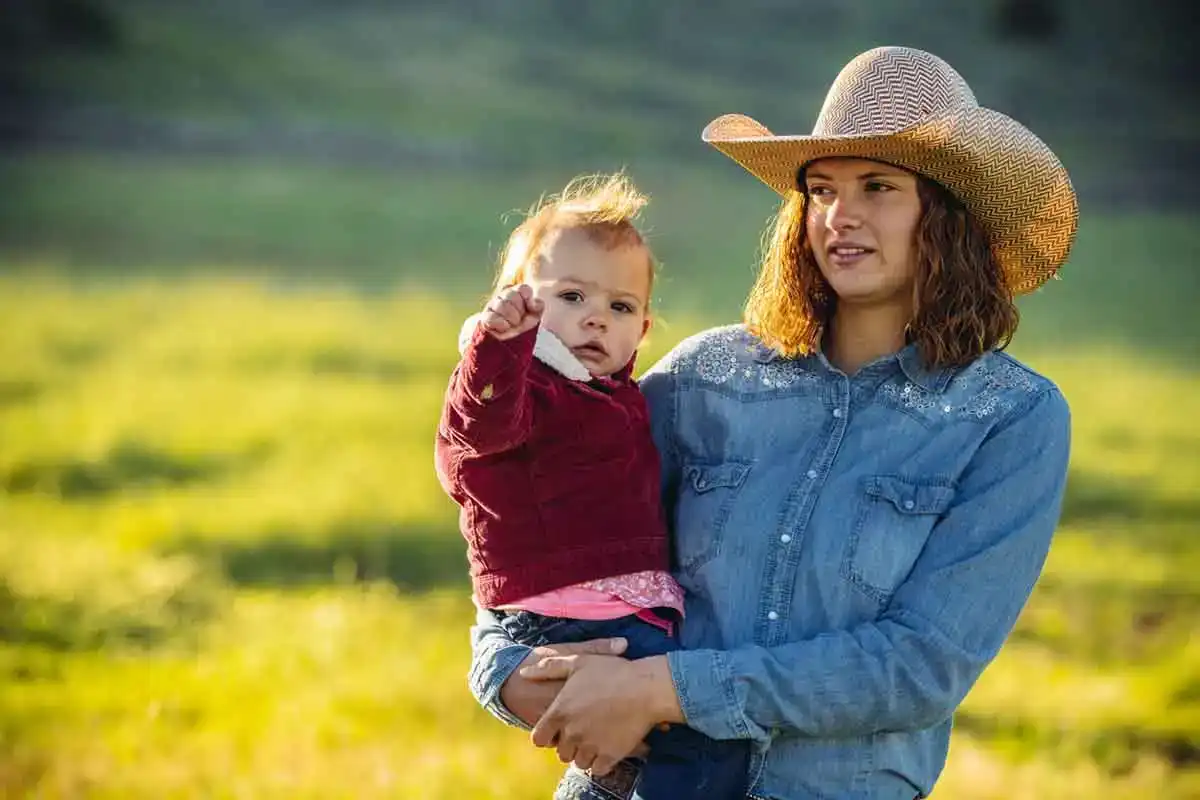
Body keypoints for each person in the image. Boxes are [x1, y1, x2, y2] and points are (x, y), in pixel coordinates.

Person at [466, 45, 1079, 800]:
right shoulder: (705, 380)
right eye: (820, 189)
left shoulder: (1011, 420)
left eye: (877, 186)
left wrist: (669, 689)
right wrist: (501, 669)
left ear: (946, 216)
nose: (839, 216)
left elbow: (919, 666)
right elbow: (543, 519)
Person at [435, 173, 751, 798]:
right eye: (571, 297)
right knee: (705, 737)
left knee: (623, 759)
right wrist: (499, 345)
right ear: (518, 301)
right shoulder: (525, 386)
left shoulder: (613, 395)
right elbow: (479, 431)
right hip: (564, 616)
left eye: (620, 306)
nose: (596, 320)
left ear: (644, 327)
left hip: (610, 611)